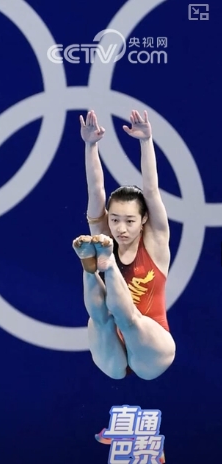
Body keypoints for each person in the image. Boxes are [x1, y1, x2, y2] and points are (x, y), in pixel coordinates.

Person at [72, 109, 175, 380]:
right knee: (98, 318)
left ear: (143, 220)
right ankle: (90, 267)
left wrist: (146, 141)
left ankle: (101, 265)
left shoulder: (155, 239)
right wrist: (90, 146)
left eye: (129, 221)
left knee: (129, 318)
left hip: (152, 346)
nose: (120, 228)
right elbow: (95, 191)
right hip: (112, 350)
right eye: (115, 219)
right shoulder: (105, 234)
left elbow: (151, 190)